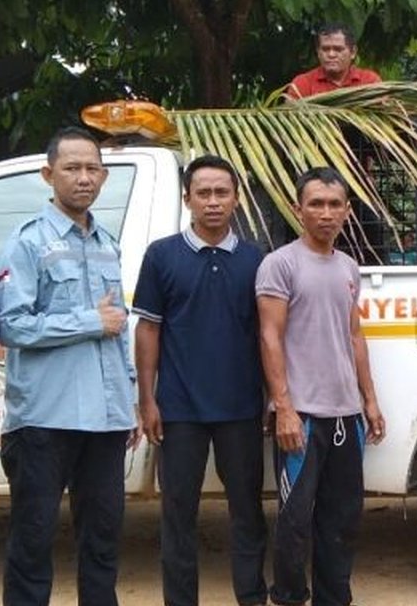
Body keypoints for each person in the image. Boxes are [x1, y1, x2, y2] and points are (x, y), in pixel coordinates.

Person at [0, 127, 137, 606]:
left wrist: (128, 400)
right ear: (47, 174)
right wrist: (87, 321)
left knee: (102, 540)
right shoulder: (27, 243)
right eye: (71, 168)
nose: (84, 178)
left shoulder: (107, 242)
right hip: (44, 421)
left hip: (105, 420)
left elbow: (118, 328)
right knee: (32, 541)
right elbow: (11, 326)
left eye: (92, 168)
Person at [133, 155, 268, 606]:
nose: (213, 202)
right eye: (203, 193)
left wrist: (273, 398)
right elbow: (148, 329)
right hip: (179, 410)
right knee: (178, 516)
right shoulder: (162, 256)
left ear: (235, 199)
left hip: (242, 408)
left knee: (248, 513)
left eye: (222, 193)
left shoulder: (256, 259)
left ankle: (250, 595)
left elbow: (268, 335)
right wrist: (147, 400)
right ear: (187, 198)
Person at [256, 167, 386, 606]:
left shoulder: (349, 266)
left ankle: (334, 598)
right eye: (316, 204)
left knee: (342, 519)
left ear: (347, 211)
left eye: (335, 205)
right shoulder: (280, 264)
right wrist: (284, 408)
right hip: (303, 419)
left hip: (345, 418)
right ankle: (290, 596)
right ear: (298, 209)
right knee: (295, 520)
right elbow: (269, 337)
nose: (326, 213)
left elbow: (354, 336)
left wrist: (369, 400)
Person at [286, 24, 381, 98]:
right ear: (318, 53)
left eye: (338, 49)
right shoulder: (302, 83)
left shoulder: (370, 81)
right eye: (325, 49)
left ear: (353, 52)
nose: (331, 55)